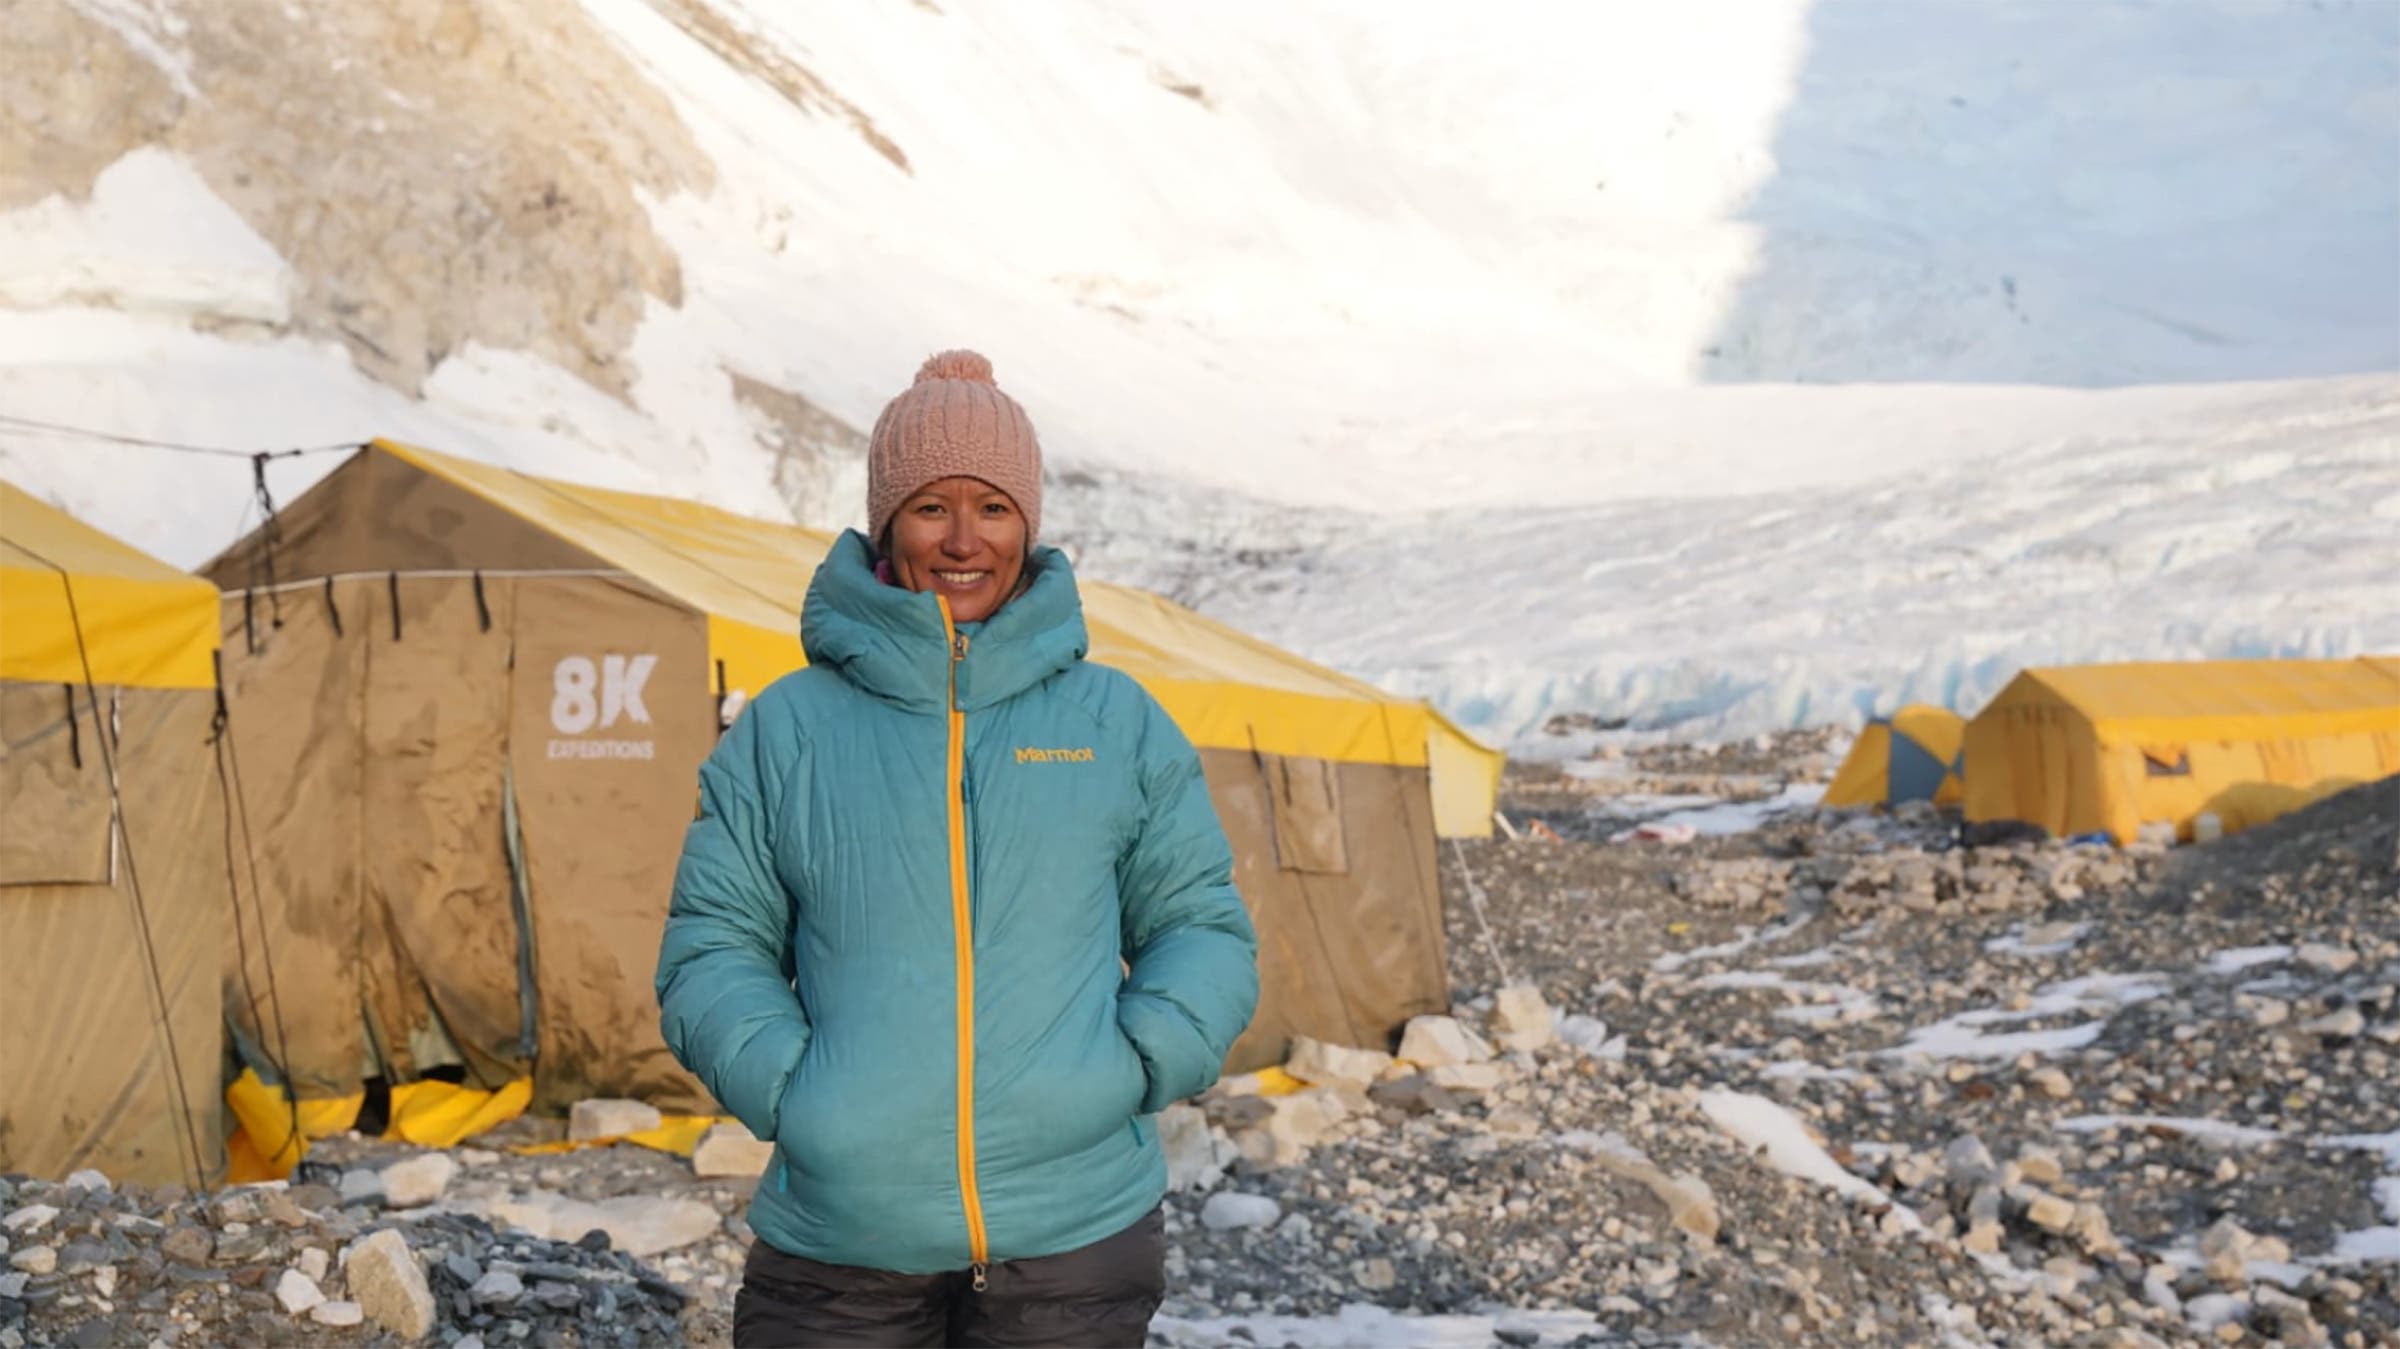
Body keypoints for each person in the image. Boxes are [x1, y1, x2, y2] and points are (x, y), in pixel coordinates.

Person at [656, 349, 1260, 1348]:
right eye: (932, 506)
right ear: (887, 523)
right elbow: (713, 945)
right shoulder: (788, 727)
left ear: (1029, 524)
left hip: (1074, 1234)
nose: (965, 539)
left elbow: (1199, 926)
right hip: (842, 1242)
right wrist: (800, 1097)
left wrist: (1133, 1061)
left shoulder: (1116, 721)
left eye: (994, 506)